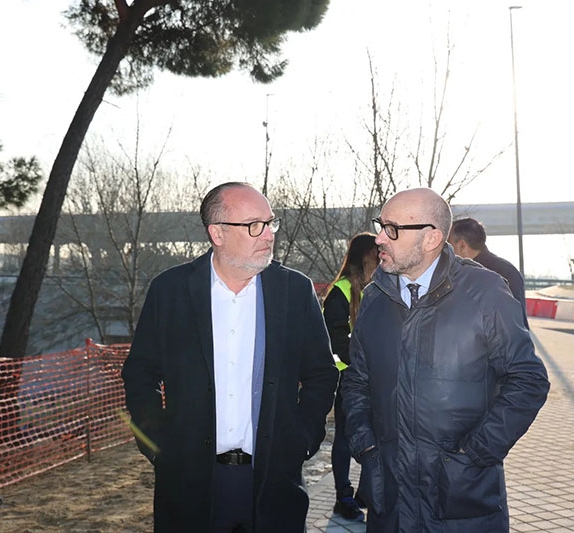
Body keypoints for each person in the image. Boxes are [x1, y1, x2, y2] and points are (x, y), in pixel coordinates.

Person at [121, 182, 338, 532]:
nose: (268, 235)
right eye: (254, 225)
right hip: (189, 485)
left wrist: (301, 440)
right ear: (217, 233)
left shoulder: (295, 291)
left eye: (270, 223)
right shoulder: (171, 291)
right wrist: (158, 444)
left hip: (273, 483)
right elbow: (140, 373)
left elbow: (321, 373)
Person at [341, 188, 550, 532]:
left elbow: (528, 380)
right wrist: (366, 444)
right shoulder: (375, 297)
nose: (379, 238)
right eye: (381, 226)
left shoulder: (485, 292)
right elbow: (357, 381)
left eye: (392, 229)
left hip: (461, 505)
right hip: (389, 504)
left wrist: (474, 454)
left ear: (431, 238)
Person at [322, 232, 379, 522]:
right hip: (350, 378)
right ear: (365, 256)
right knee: (345, 438)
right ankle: (343, 497)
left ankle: (365, 493)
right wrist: (360, 365)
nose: (381, 257)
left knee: (376, 435)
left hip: (376, 377)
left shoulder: (378, 287)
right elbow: (334, 339)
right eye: (376, 253)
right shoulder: (341, 291)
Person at [448, 216, 529, 327]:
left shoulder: (471, 275)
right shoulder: (508, 270)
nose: (445, 250)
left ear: (462, 245)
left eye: (448, 243)